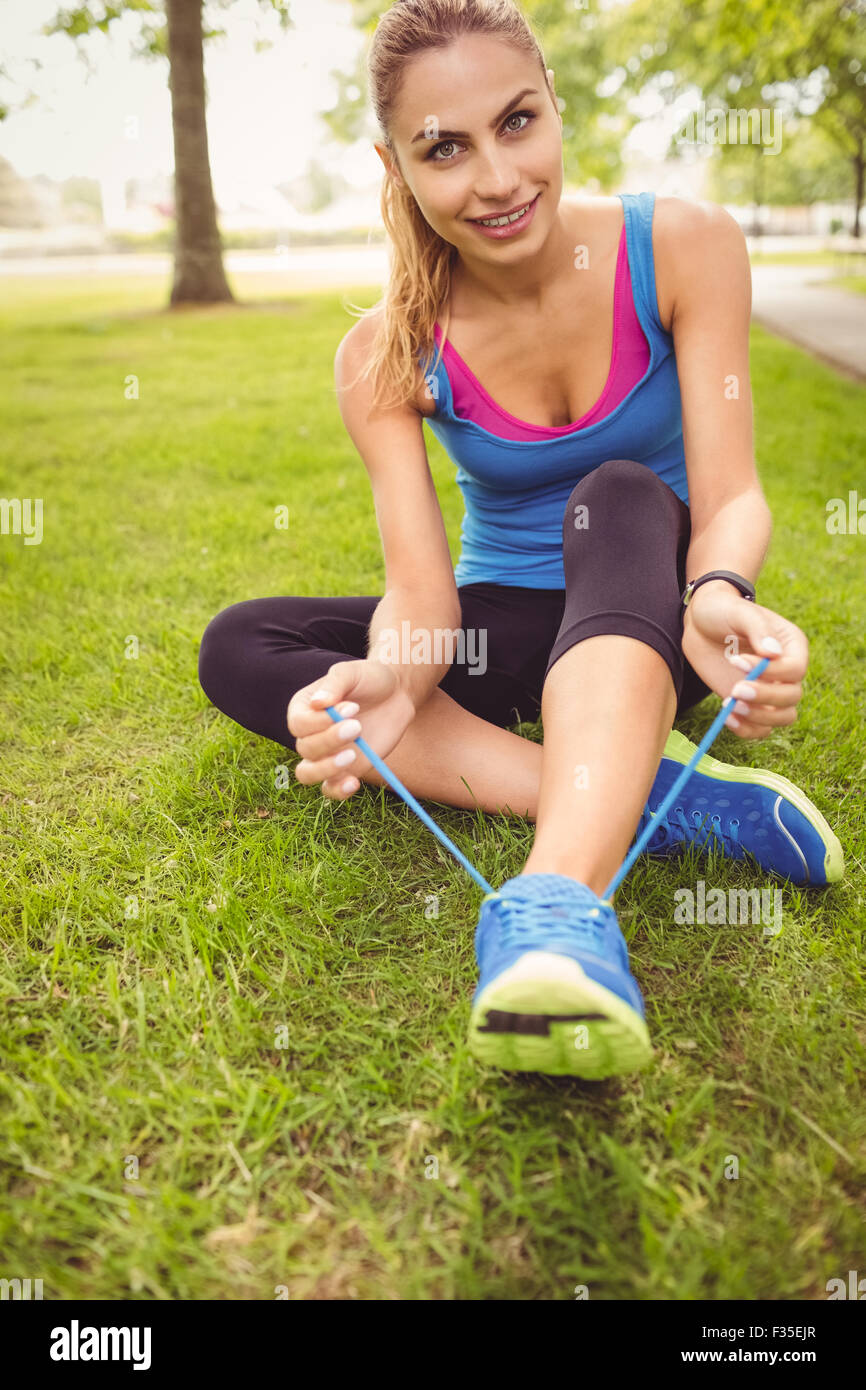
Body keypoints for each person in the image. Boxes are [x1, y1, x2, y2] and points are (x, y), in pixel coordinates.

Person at [198, 0, 843, 1080]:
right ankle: (656, 796)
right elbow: (422, 593)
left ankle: (551, 908)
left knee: (618, 489)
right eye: (442, 149)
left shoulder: (681, 247)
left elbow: (729, 492)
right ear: (394, 164)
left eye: (515, 123)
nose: (494, 180)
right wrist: (394, 685)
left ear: (554, 110)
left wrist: (719, 590)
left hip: (649, 623)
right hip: (501, 642)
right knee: (239, 643)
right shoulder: (383, 350)